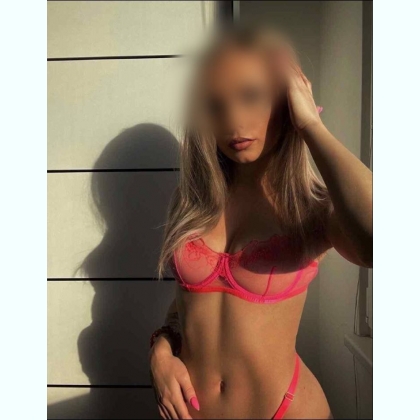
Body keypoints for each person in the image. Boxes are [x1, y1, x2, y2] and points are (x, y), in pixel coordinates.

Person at [148, 23, 372, 420]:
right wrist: (161, 351)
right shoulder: (192, 200)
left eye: (251, 96)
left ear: (287, 98)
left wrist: (311, 126)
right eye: (216, 105)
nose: (233, 120)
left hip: (286, 411)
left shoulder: (311, 209)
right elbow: (188, 304)